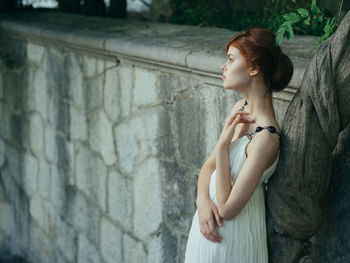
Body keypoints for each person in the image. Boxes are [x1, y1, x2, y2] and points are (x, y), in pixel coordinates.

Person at [184, 27, 293, 262]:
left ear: (254, 68)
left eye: (231, 59)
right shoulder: (240, 108)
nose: (223, 66)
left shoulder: (266, 138)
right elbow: (207, 168)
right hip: (206, 226)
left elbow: (226, 209)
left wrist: (224, 147)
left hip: (232, 239)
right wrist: (201, 200)